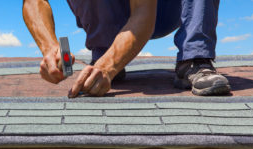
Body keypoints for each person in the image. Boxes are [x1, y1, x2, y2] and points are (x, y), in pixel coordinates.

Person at [23, 0, 231, 98]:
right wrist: (49, 47)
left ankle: (195, 58)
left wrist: (107, 67)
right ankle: (105, 50)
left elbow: (143, 12)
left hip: (167, 8)